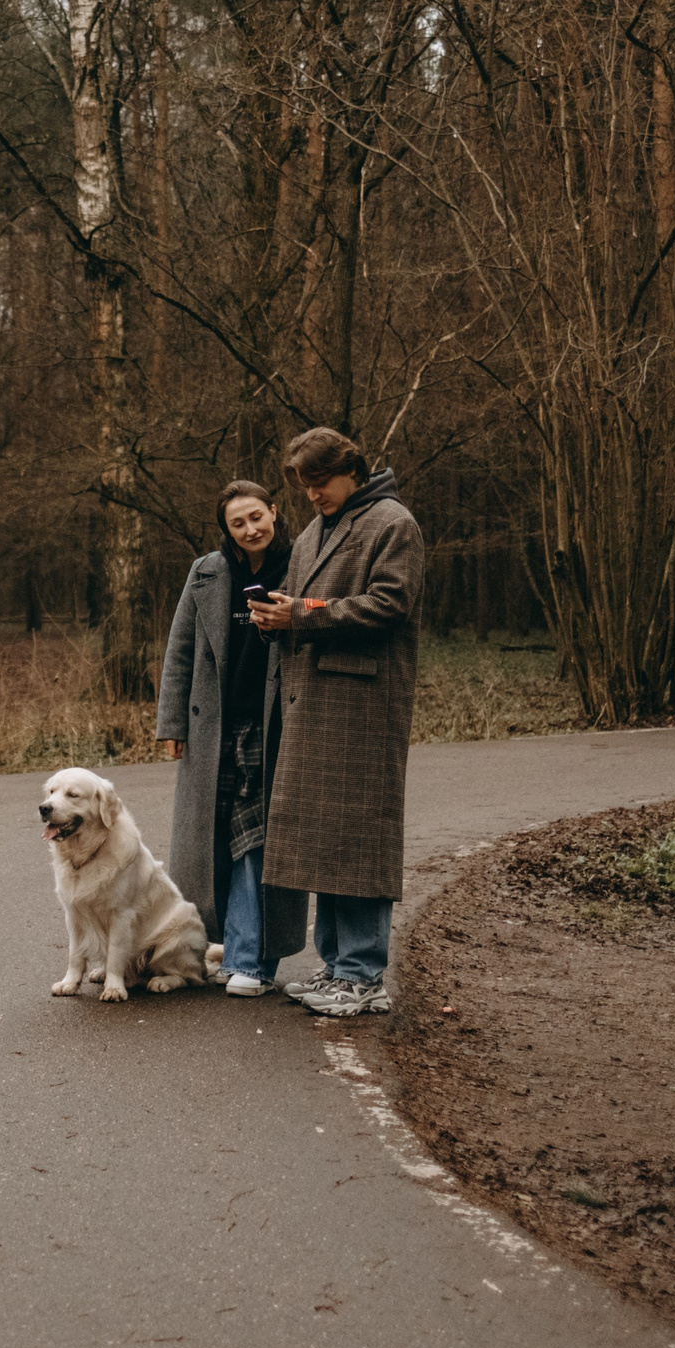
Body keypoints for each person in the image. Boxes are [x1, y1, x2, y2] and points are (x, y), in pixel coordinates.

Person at [246, 428, 424, 1018]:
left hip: (362, 708)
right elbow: (300, 602)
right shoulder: (318, 530)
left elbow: (390, 603)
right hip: (311, 702)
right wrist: (278, 616)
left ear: (351, 470)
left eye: (320, 484)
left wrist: (305, 614)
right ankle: (336, 966)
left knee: (360, 837)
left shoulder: (393, 523)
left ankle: (363, 973)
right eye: (305, 487)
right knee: (324, 840)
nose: (313, 496)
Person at [154, 481, 308, 998]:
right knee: (215, 842)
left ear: (274, 511)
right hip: (213, 728)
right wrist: (171, 725)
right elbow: (180, 653)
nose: (250, 530)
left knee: (257, 844)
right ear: (226, 530)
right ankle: (224, 945)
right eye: (237, 524)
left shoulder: (302, 564)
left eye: (256, 517)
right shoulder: (207, 571)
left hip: (276, 728)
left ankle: (252, 961)